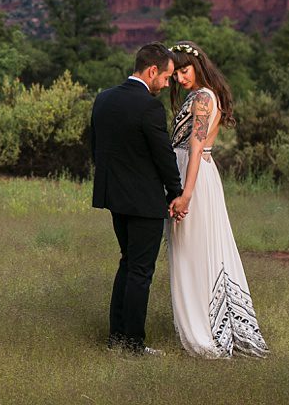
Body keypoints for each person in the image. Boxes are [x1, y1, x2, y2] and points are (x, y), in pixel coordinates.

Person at [166, 41, 269, 358]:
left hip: (193, 174)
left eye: (184, 70)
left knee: (190, 251)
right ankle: (211, 320)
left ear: (197, 65)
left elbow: (196, 147)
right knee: (196, 250)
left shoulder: (202, 99)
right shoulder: (203, 95)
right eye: (176, 74)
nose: (181, 78)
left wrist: (185, 194)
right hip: (197, 172)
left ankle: (204, 329)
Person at [90, 42, 183, 355]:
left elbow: (97, 150)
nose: (167, 83)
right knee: (141, 272)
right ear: (153, 70)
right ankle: (132, 345)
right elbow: (163, 156)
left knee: (127, 264)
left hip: (114, 198)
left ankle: (117, 338)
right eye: (167, 77)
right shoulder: (149, 106)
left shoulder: (103, 99)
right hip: (144, 202)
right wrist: (176, 192)